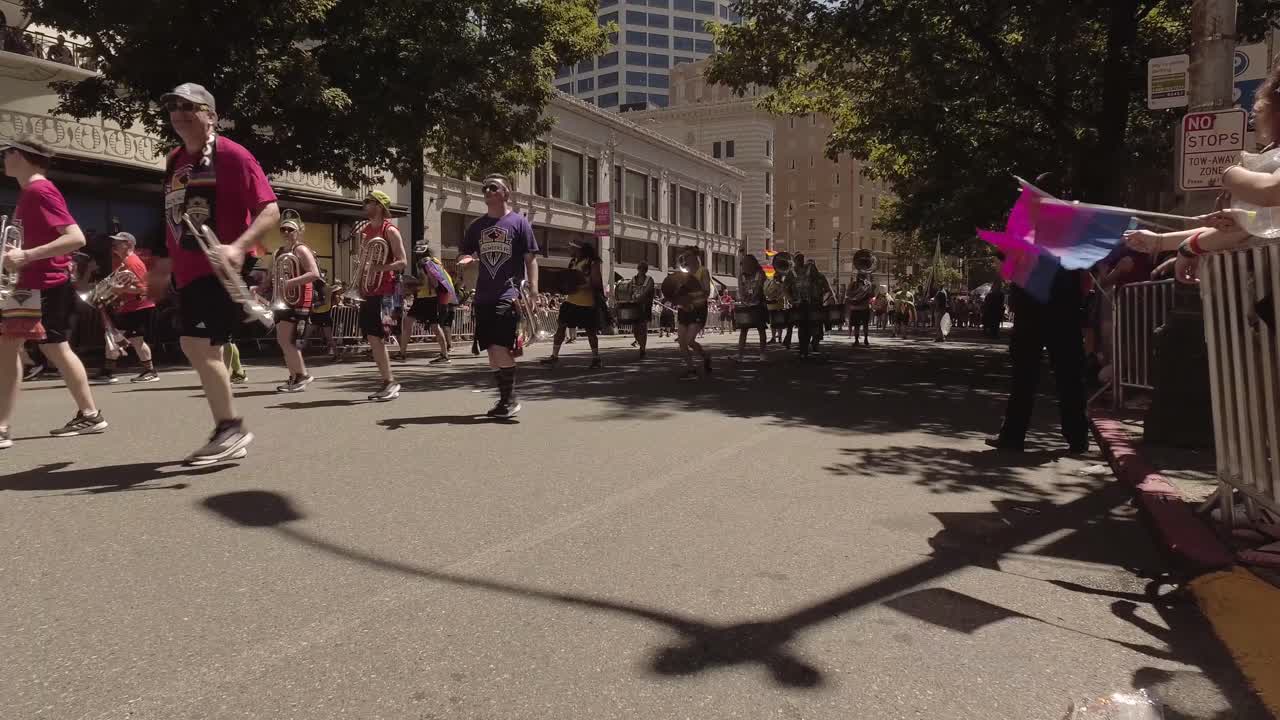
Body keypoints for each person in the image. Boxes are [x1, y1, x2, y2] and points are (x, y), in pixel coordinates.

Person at [147, 83, 280, 464]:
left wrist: (238, 247)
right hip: (189, 269)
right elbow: (173, 218)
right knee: (210, 348)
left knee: (195, 344)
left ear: (211, 115)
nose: (179, 112)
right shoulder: (175, 160)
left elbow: (269, 209)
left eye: (190, 106)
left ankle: (230, 428)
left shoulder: (233, 155)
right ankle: (228, 426)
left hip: (219, 265)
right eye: (173, 105)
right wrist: (162, 265)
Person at [0, 135, 108, 449]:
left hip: (42, 283)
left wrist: (26, 256)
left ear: (21, 155)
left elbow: (75, 238)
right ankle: (89, 414)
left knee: (16, 348)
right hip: (36, 283)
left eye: (7, 153)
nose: (4, 158)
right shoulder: (30, 192)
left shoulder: (39, 189)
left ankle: (4, 427)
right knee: (48, 348)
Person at [988, 172, 1088, 454]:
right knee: (1069, 374)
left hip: (1032, 305)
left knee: (1025, 375)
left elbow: (1008, 259)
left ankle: (1013, 436)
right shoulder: (1074, 224)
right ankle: (1077, 438)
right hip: (1065, 306)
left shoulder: (1025, 222)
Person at [458, 174, 538, 417]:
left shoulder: (519, 223)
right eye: (485, 188)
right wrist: (466, 261)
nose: (488, 191)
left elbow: (530, 258)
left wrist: (534, 289)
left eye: (493, 187)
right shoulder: (476, 227)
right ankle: (505, 400)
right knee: (491, 352)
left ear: (506, 193)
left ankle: (510, 399)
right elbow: (463, 256)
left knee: (498, 346)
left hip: (509, 291)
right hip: (483, 295)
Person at [355, 190, 407, 401]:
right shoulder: (366, 230)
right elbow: (364, 262)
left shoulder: (390, 230)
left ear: (379, 206)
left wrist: (381, 267)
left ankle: (390, 382)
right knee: (371, 337)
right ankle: (387, 381)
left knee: (377, 337)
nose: (365, 205)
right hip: (369, 290)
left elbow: (403, 262)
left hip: (385, 292)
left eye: (369, 202)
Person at [91, 231, 159, 384]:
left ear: (128, 244)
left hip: (139, 307)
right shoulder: (123, 262)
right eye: (114, 242)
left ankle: (150, 371)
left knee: (134, 340)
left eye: (119, 242)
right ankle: (108, 371)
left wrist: (118, 289)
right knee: (115, 337)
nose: (114, 245)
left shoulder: (132, 262)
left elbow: (143, 289)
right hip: (130, 307)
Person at [261, 212, 318, 392]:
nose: (286, 232)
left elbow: (314, 273)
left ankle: (302, 376)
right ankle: (294, 377)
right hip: (281, 300)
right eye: (283, 229)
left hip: (297, 299)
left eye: (290, 229)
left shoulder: (301, 249)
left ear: (298, 231)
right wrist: (259, 288)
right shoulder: (278, 251)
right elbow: (271, 277)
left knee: (286, 340)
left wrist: (291, 282)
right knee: (283, 340)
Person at [544, 241, 604, 369]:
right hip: (571, 301)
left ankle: (596, 358)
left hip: (587, 303)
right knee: (560, 328)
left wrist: (577, 286)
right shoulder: (572, 262)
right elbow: (567, 281)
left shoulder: (592, 262)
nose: (568, 249)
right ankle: (554, 356)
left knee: (591, 332)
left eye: (570, 248)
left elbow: (597, 283)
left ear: (578, 249)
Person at [405, 251, 456, 364]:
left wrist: (415, 283)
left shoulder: (426, 263)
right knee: (436, 326)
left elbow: (433, 283)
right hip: (442, 297)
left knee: (436, 326)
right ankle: (444, 354)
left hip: (432, 298)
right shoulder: (435, 262)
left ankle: (444, 355)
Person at [674, 248, 713, 379]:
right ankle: (691, 369)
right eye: (684, 257)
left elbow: (706, 292)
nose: (686, 259)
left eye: (688, 256)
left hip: (698, 309)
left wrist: (691, 297)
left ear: (695, 257)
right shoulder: (683, 272)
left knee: (690, 340)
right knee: (681, 341)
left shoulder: (703, 271)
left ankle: (705, 357)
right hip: (684, 309)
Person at [735, 253, 767, 362]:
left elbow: (758, 288)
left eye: (746, 263)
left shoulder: (760, 273)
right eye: (743, 264)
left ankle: (762, 354)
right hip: (746, 303)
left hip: (759, 303)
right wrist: (744, 299)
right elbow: (740, 289)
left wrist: (753, 298)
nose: (744, 266)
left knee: (761, 329)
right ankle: (740, 355)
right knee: (743, 329)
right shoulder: (741, 276)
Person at [630, 262, 656, 358]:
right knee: (635, 329)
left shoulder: (650, 279)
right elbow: (629, 291)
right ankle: (640, 343)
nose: (642, 270)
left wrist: (640, 297)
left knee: (643, 328)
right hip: (635, 306)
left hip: (645, 306)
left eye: (644, 269)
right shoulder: (633, 279)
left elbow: (647, 291)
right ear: (638, 269)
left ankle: (643, 349)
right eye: (640, 268)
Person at [310, 274, 339, 359]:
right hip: (316, 314)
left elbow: (326, 302)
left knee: (329, 337)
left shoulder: (327, 287)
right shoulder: (315, 288)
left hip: (325, 315)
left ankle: (336, 354)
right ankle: (297, 354)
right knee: (306, 334)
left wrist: (315, 304)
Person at [845, 271, 873, 347]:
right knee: (857, 325)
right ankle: (857, 340)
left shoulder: (868, 284)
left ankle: (865, 339)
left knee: (864, 325)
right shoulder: (853, 284)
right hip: (856, 308)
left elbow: (870, 294)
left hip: (863, 307)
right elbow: (848, 293)